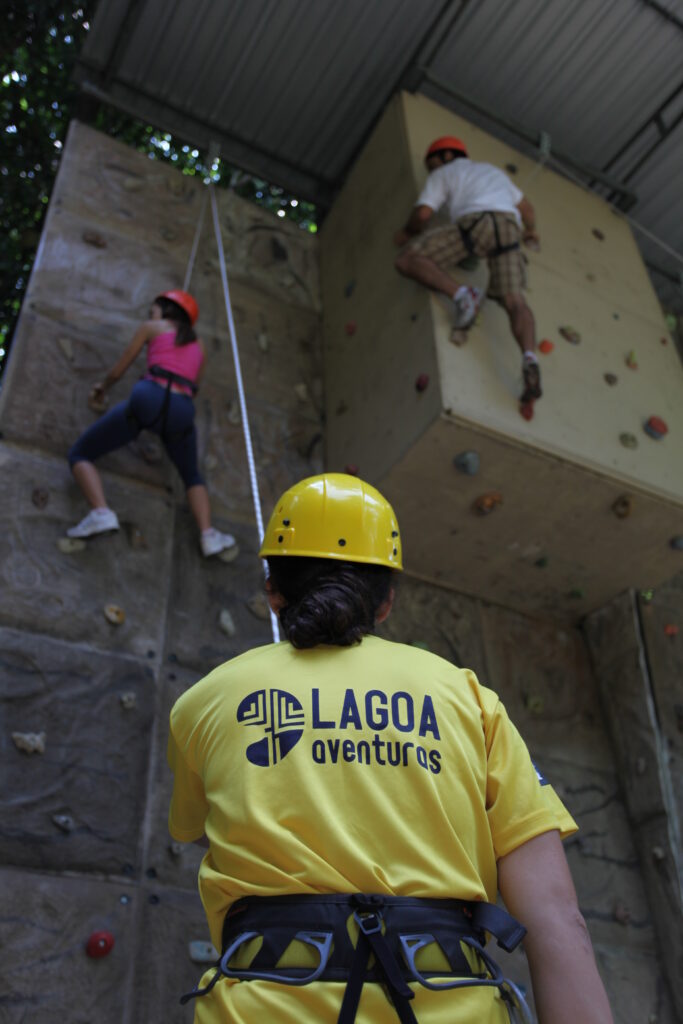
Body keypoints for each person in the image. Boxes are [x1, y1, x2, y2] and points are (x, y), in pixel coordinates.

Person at [167, 473, 614, 1024]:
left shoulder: (202, 703)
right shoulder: (470, 701)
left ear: (272, 592)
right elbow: (555, 917)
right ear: (386, 603)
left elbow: (191, 829)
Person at [66, 289, 236, 558]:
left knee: (80, 453)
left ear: (167, 309)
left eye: (153, 309)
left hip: (148, 398)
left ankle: (100, 511)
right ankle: (208, 535)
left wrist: (103, 387)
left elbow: (120, 368)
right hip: (181, 409)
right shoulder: (199, 345)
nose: (150, 315)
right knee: (191, 474)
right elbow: (195, 387)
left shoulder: (152, 328)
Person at [394, 136, 542, 407]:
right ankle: (530, 358)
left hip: (477, 224)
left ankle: (463, 296)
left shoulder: (446, 173)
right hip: (510, 228)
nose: (431, 171)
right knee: (515, 301)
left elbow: (423, 215)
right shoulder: (492, 172)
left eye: (432, 164)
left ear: (446, 156)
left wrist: (407, 231)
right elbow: (527, 209)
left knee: (406, 260)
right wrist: (530, 232)